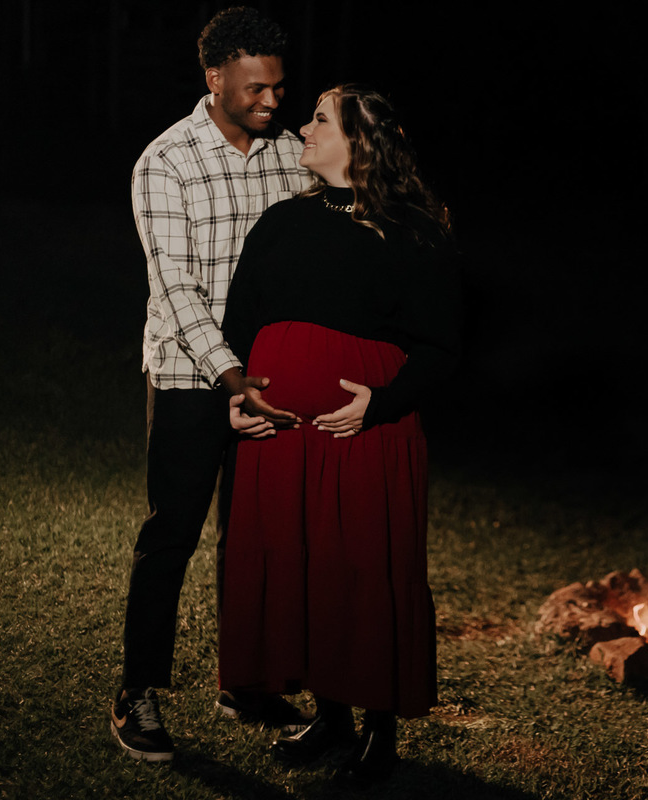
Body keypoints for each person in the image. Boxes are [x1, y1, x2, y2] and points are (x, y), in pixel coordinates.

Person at [218, 83, 461, 781]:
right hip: (280, 433)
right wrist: (237, 396)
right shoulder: (281, 222)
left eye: (320, 119)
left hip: (364, 431)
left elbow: (441, 346)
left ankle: (378, 729)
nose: (304, 127)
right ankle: (330, 718)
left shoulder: (412, 229)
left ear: (359, 141)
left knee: (361, 565)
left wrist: (380, 404)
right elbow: (240, 321)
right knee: (302, 566)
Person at [111, 6, 310, 762]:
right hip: (193, 375)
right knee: (172, 534)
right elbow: (176, 290)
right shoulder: (165, 162)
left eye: (279, 88)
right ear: (215, 78)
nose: (271, 101)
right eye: (256, 88)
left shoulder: (291, 155)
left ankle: (246, 682)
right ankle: (137, 692)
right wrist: (231, 379)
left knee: (254, 539)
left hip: (266, 377)